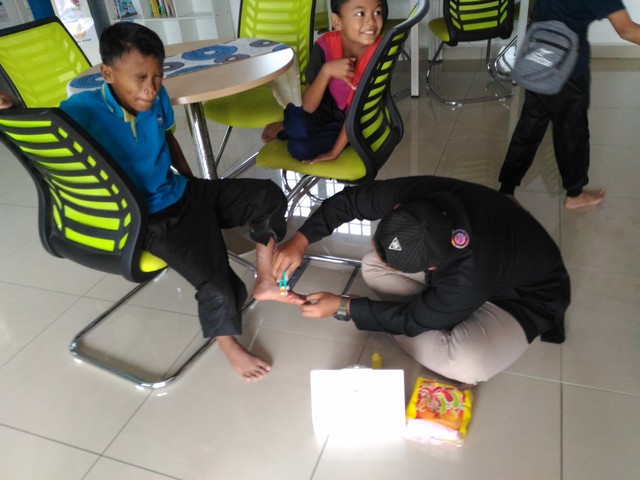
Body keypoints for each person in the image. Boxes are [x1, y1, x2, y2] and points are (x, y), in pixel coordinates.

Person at [0, 23, 304, 382]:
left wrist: (192, 181)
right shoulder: (82, 110)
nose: (150, 87)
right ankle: (227, 344)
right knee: (220, 285)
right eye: (140, 77)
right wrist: (13, 109)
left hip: (179, 190)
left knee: (266, 196)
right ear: (108, 74)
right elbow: (45, 129)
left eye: (158, 76)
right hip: (147, 217)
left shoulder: (157, 97)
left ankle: (265, 279)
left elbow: (166, 137)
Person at [272, 176, 571, 385]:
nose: (380, 252)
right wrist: (301, 239)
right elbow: (352, 201)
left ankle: (406, 316)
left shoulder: (468, 274)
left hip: (521, 297)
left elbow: (413, 320)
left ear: (433, 266)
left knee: (467, 364)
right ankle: (412, 313)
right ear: (398, 209)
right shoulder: (421, 194)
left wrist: (346, 306)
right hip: (488, 266)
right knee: (372, 266)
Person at [499, 0, 640, 210]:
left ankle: (506, 190)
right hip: (569, 73)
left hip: (538, 64)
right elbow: (626, 30)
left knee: (528, 130)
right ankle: (575, 194)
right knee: (572, 135)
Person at [261, 0, 385, 162]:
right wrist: (326, 71)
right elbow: (308, 106)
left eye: (377, 12)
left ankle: (290, 130)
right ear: (337, 21)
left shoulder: (380, 53)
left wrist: (334, 152)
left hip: (353, 120)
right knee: (297, 124)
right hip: (324, 106)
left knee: (298, 149)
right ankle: (287, 126)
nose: (371, 21)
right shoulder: (324, 45)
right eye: (360, 13)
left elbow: (357, 113)